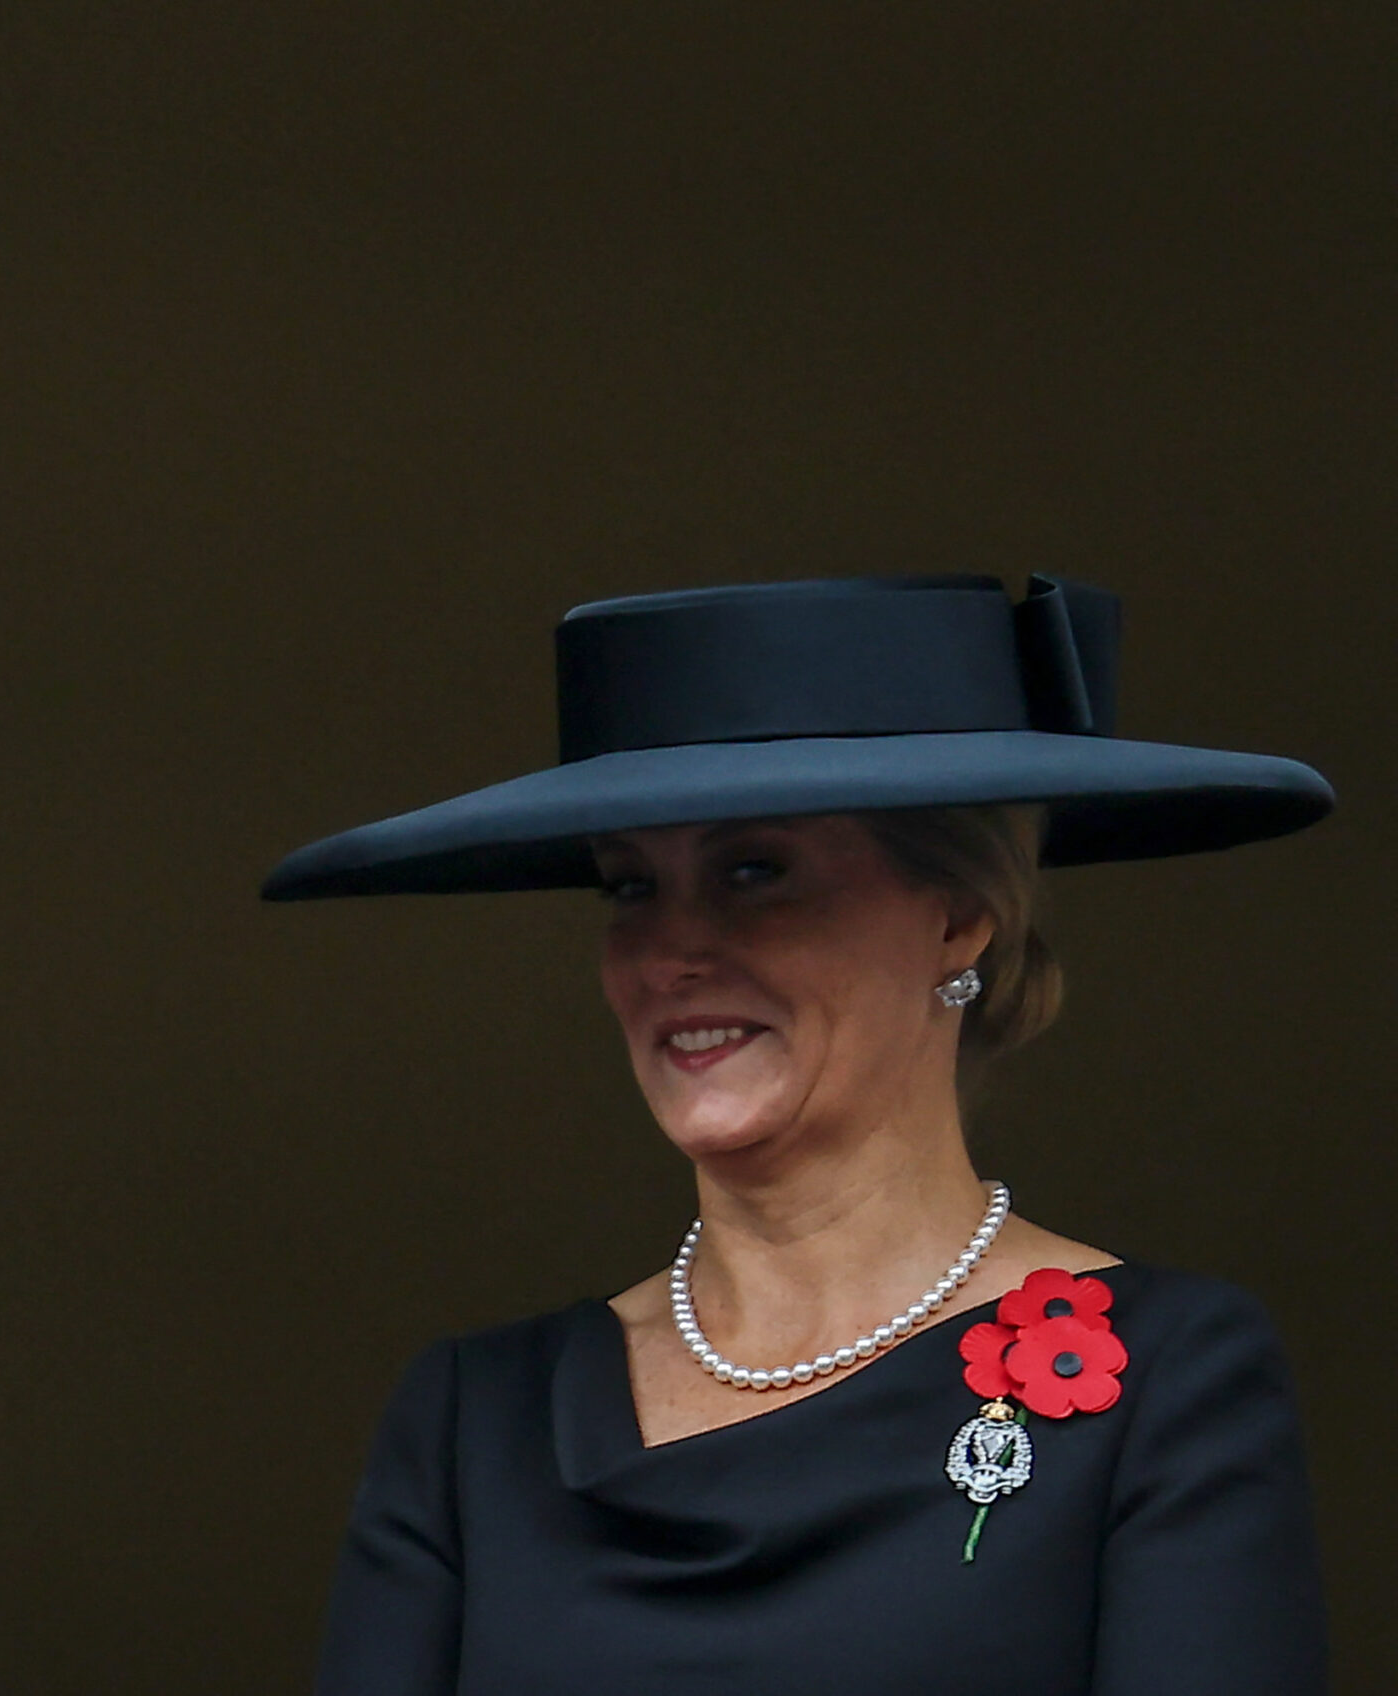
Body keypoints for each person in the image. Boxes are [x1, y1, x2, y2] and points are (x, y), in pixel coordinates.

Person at [264, 575, 1333, 1695]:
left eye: (752, 871)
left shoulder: (1169, 1381)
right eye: (629, 888)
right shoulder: (474, 1424)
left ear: (958, 915)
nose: (671, 950)